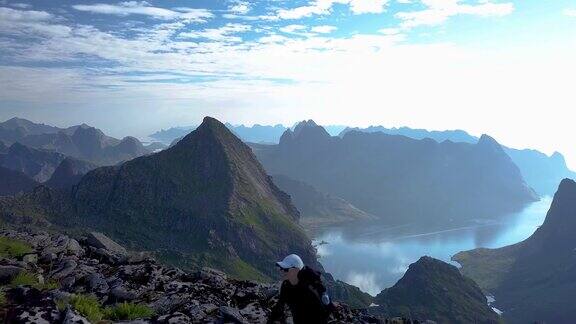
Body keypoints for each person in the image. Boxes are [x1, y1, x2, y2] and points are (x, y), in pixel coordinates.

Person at [268, 254, 332, 324]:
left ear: (296, 270)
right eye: (281, 268)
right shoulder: (286, 285)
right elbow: (280, 305)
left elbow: (322, 314)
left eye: (285, 269)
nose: (281, 271)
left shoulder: (309, 288)